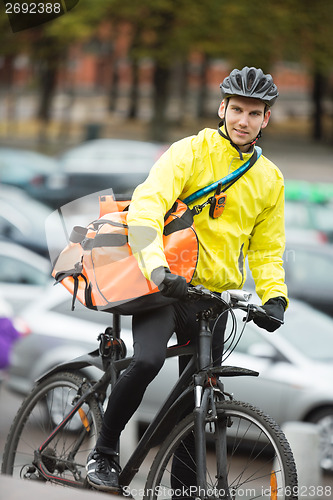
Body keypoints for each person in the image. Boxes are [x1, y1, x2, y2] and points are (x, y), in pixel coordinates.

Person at [86, 66, 288, 493]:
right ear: (222, 108)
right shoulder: (189, 152)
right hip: (164, 288)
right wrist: (157, 268)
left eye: (254, 113)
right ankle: (102, 453)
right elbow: (147, 208)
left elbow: (266, 249)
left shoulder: (270, 180)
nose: (243, 120)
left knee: (196, 397)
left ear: (265, 119)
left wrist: (275, 298)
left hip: (211, 300)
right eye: (237, 109)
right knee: (147, 361)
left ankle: (183, 489)